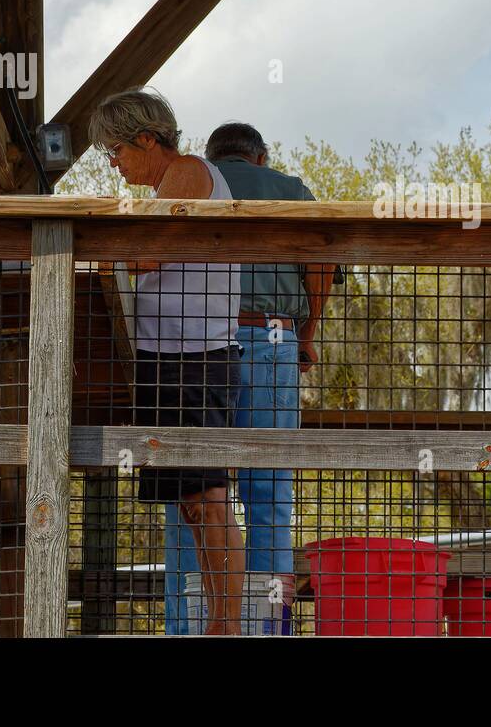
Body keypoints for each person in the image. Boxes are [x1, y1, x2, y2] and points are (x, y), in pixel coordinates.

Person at [88, 87, 244, 635]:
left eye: (117, 150)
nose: (114, 163)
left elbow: (146, 253)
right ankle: (218, 622)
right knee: (191, 504)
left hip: (197, 358)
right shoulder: (164, 186)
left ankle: (226, 626)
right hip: (166, 359)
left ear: (147, 138)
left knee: (209, 500)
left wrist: (96, 239)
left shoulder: (187, 172)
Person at [207, 121, 335, 633]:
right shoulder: (291, 190)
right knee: (270, 492)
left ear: (212, 156)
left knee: (194, 488)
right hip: (272, 337)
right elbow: (320, 263)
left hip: (199, 344)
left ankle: (193, 623)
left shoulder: (195, 183)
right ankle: (269, 627)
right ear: (261, 157)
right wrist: (307, 333)